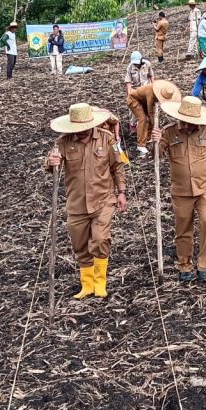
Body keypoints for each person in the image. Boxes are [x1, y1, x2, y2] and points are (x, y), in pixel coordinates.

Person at [47, 103, 127, 300]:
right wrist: (51, 162)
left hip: (103, 200)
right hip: (76, 203)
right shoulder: (63, 142)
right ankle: (87, 285)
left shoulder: (107, 139)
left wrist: (121, 192)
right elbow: (52, 165)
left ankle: (100, 283)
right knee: (79, 244)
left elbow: (117, 166)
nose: (81, 131)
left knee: (100, 239)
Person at [152, 95, 206, 284]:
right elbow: (157, 156)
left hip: (204, 187)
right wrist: (156, 142)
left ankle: (204, 265)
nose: (187, 124)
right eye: (185, 120)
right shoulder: (169, 132)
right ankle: (184, 266)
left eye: (191, 121)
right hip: (181, 190)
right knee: (183, 229)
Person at [124, 51, 157, 155]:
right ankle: (141, 145)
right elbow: (128, 84)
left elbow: (151, 76)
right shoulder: (130, 67)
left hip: (144, 93)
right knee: (142, 118)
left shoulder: (147, 64)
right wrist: (130, 93)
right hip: (134, 96)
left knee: (150, 117)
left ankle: (148, 137)